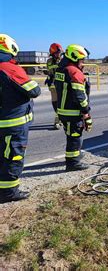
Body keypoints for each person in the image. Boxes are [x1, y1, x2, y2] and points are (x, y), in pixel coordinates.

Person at [0, 34, 41, 203]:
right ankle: (9, 192)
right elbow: (34, 91)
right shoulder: (9, 67)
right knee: (13, 157)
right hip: (12, 123)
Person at [54, 44, 92, 171]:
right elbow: (79, 95)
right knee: (75, 137)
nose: (83, 63)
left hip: (63, 110)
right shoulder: (74, 71)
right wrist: (86, 112)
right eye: (82, 60)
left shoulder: (61, 69)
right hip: (72, 112)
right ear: (75, 58)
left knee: (71, 135)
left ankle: (74, 156)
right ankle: (73, 163)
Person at [46, 43, 63, 129]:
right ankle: (58, 119)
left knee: (61, 103)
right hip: (53, 85)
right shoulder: (49, 61)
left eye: (59, 52)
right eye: (57, 53)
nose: (58, 54)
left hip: (62, 85)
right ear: (52, 53)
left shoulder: (63, 60)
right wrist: (49, 79)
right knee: (55, 103)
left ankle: (59, 120)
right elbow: (50, 72)